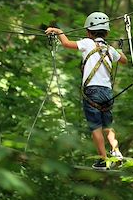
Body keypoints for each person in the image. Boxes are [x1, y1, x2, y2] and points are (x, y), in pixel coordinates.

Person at [45, 12, 128, 170]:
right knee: (107, 125)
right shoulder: (110, 49)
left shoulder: (87, 43)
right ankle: (116, 151)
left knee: (95, 127)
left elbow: (67, 44)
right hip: (107, 93)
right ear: (107, 32)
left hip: (92, 92)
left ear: (88, 32)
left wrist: (58, 31)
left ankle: (103, 160)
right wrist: (120, 52)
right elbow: (124, 61)